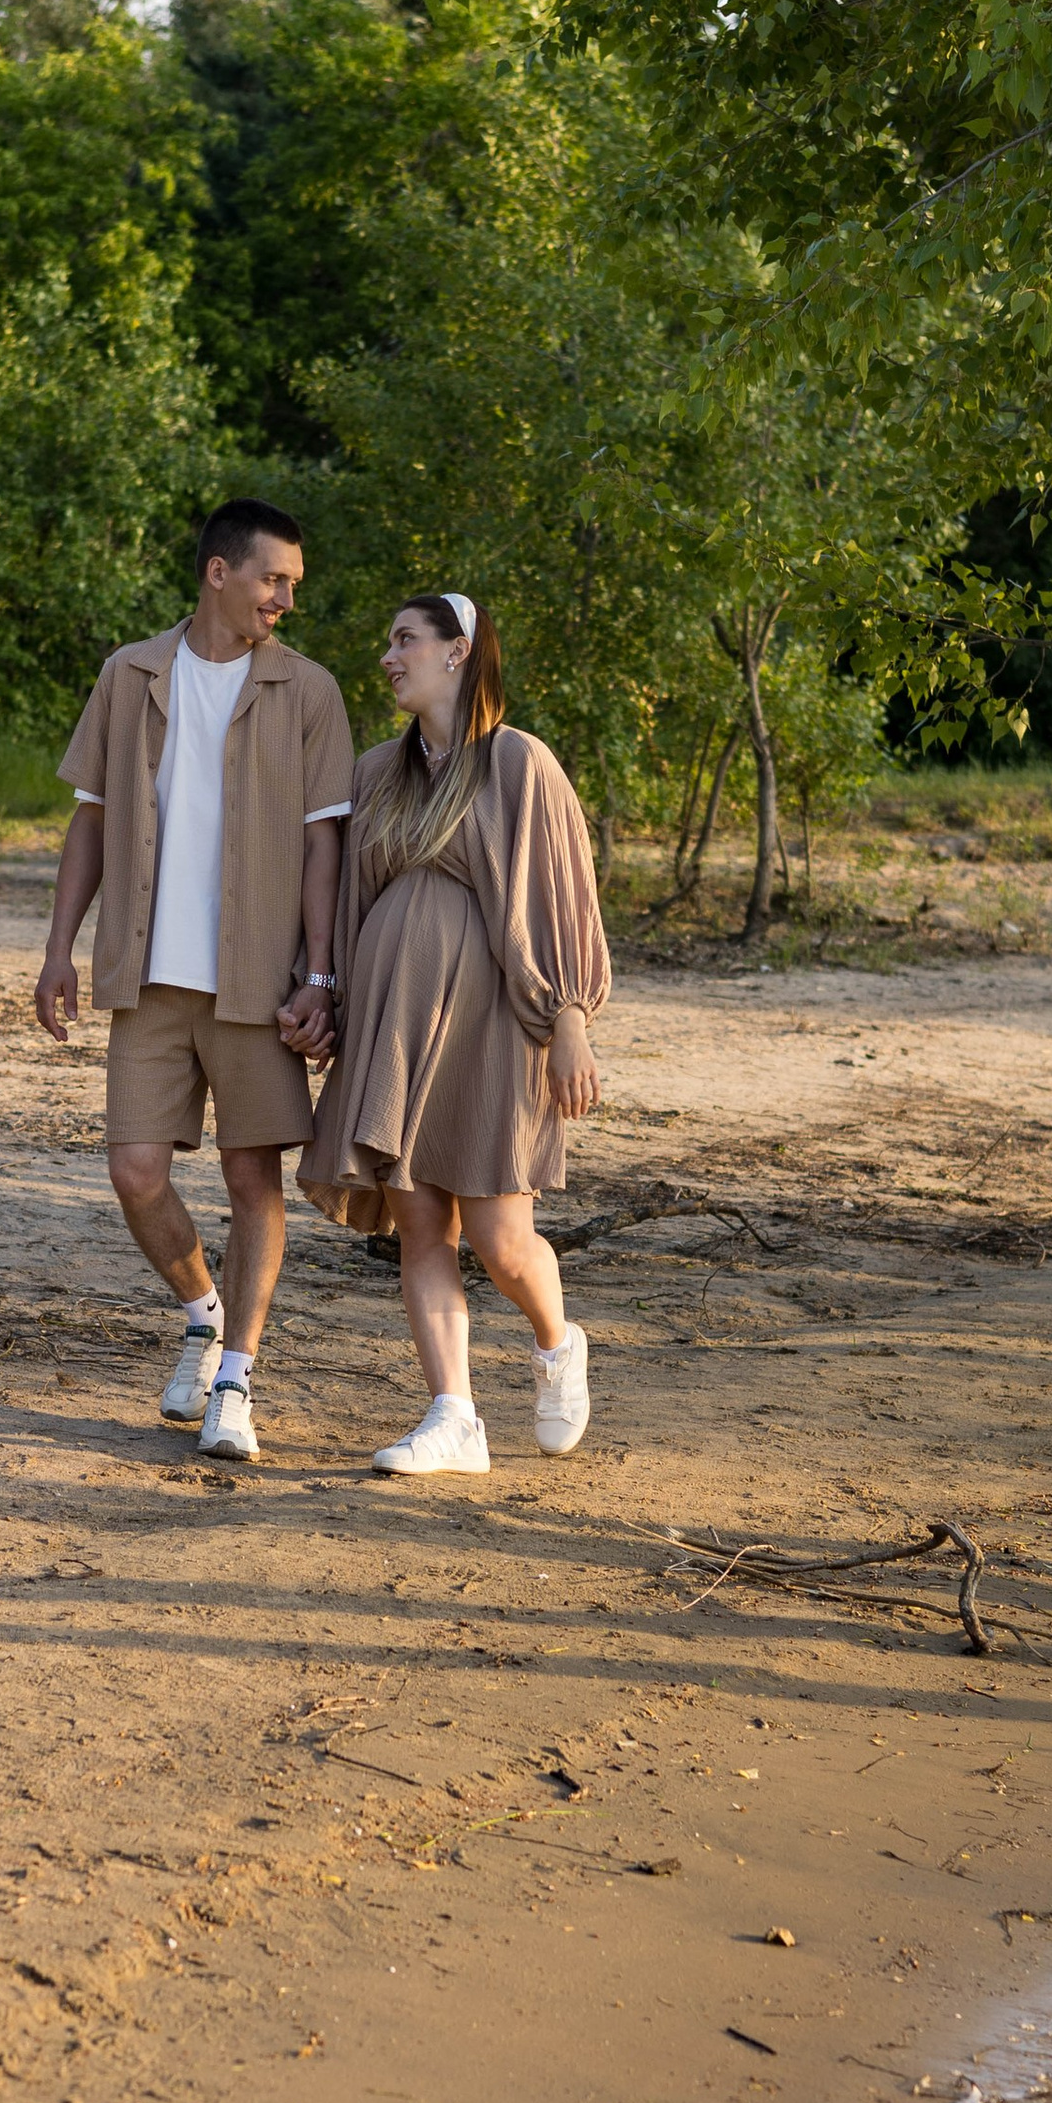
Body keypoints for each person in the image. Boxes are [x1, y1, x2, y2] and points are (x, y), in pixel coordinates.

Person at [37, 502, 355, 1463]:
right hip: (145, 974)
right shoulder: (130, 674)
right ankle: (203, 1313)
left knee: (252, 1178)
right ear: (220, 572)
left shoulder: (309, 691)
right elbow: (90, 819)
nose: (286, 600)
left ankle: (234, 1382)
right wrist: (60, 948)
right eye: (274, 580)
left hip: (256, 983)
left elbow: (322, 844)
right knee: (135, 1172)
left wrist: (322, 975)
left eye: (293, 584)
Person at [300, 592, 610, 1474]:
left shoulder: (518, 763)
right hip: (395, 1018)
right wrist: (329, 1000)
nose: (389, 656)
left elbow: (563, 904)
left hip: (495, 1024)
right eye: (388, 640)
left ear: (458, 650)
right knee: (420, 1223)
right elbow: (350, 899)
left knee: (502, 1238)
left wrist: (572, 1021)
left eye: (406, 640)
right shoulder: (376, 772)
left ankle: (557, 1344)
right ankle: (455, 1418)